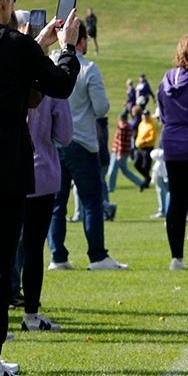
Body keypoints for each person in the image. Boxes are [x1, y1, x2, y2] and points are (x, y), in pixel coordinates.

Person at [0, 0, 82, 376]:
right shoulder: (13, 44)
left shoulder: (16, 45)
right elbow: (59, 85)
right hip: (3, 155)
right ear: (6, 0)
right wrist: (67, 48)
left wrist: (35, 46)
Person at [49, 21, 125, 271]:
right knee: (92, 201)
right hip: (82, 141)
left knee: (57, 204)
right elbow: (102, 107)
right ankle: (97, 255)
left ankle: (57, 257)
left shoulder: (49, 61)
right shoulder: (88, 68)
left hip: (54, 142)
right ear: (80, 40)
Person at [23, 59, 75, 332]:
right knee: (33, 248)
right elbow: (65, 135)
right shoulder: (50, 82)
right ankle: (31, 314)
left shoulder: (0, 71)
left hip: (4, 171)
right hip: (40, 174)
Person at [159, 39, 188, 270]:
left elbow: (162, 112)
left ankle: (177, 257)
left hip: (172, 142)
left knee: (177, 200)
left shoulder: (167, 78)